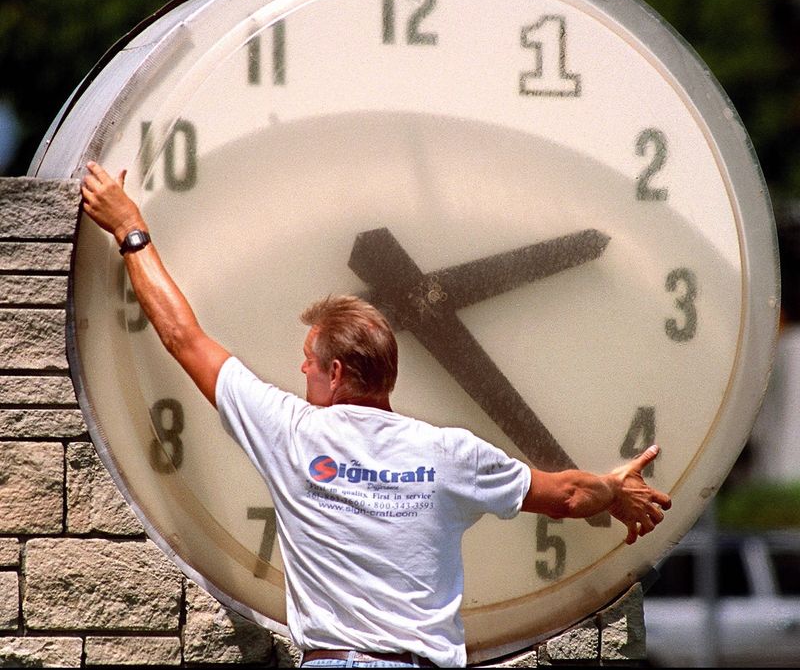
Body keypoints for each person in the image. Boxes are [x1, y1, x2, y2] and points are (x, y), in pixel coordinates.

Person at [80, 162, 672, 669]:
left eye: (308, 361)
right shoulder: (449, 453)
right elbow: (567, 495)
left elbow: (183, 337)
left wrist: (131, 230)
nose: (301, 369)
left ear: (335, 373)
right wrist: (615, 490)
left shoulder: (290, 432)